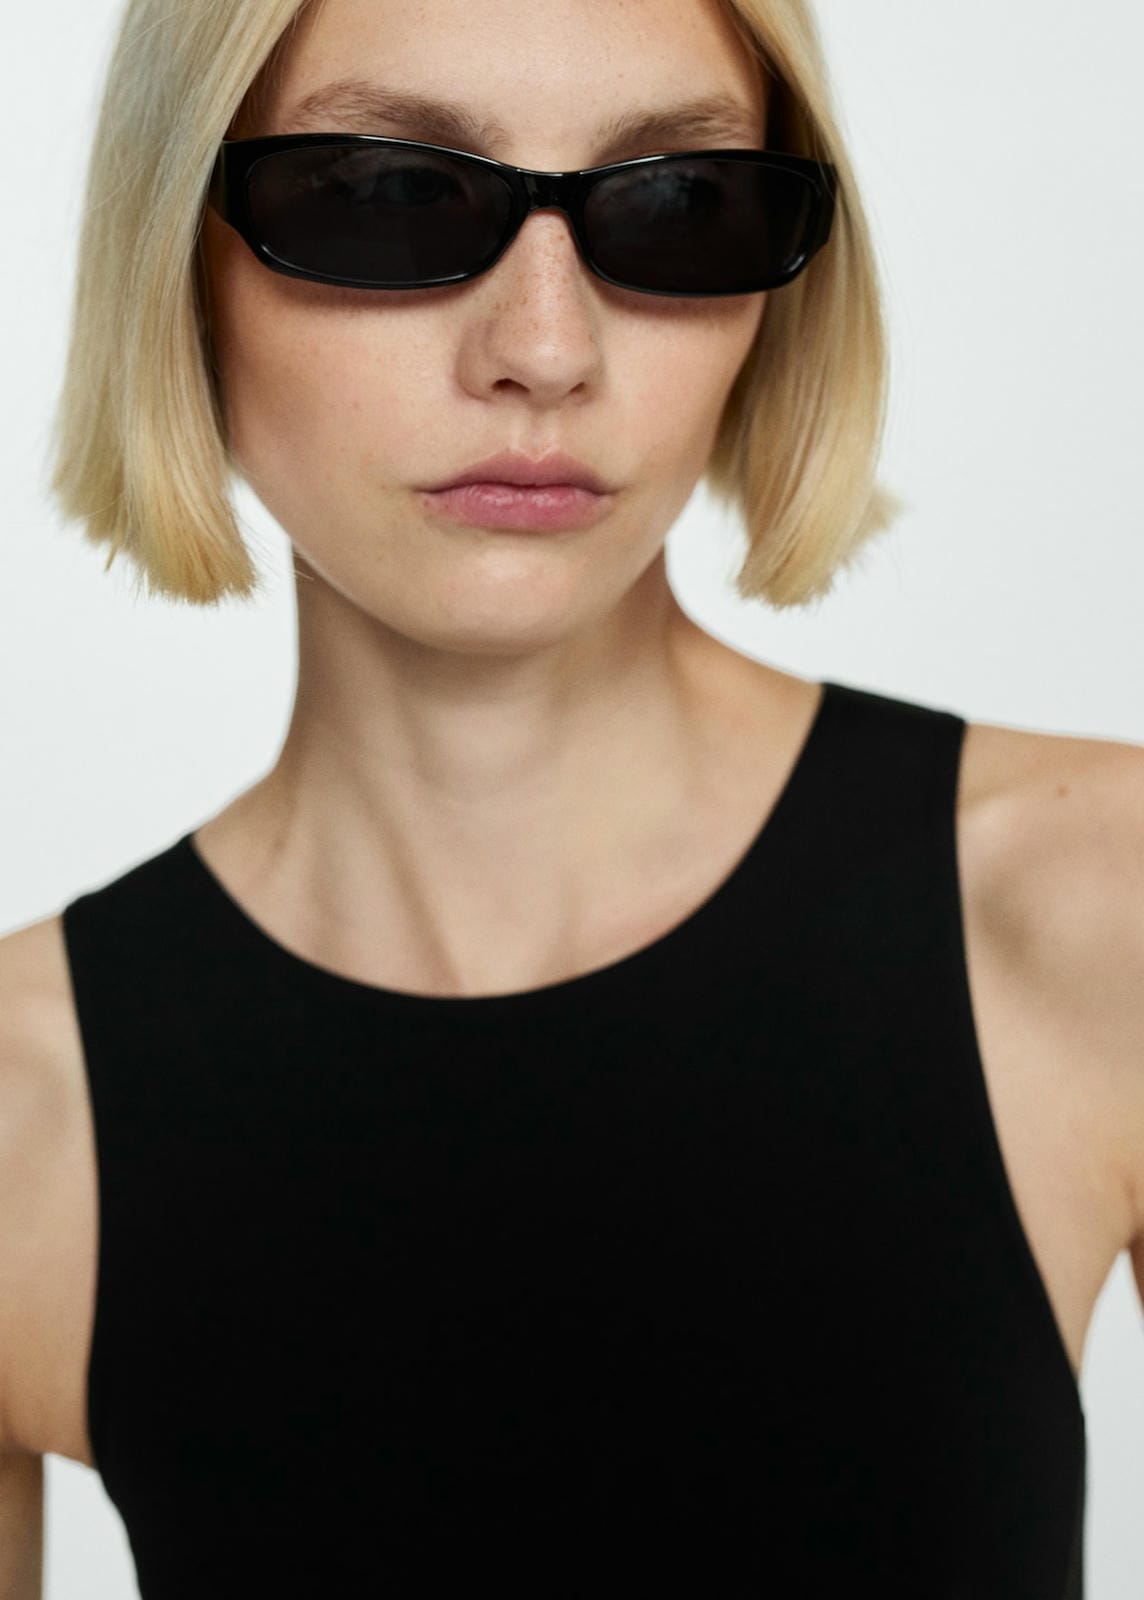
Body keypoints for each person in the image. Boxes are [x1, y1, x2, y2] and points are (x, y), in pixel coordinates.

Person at [1, 0, 1141, 1593]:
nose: (546, 350)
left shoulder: (1099, 905)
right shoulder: (20, 1116)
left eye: (680, 205)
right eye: (392, 194)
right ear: (176, 252)